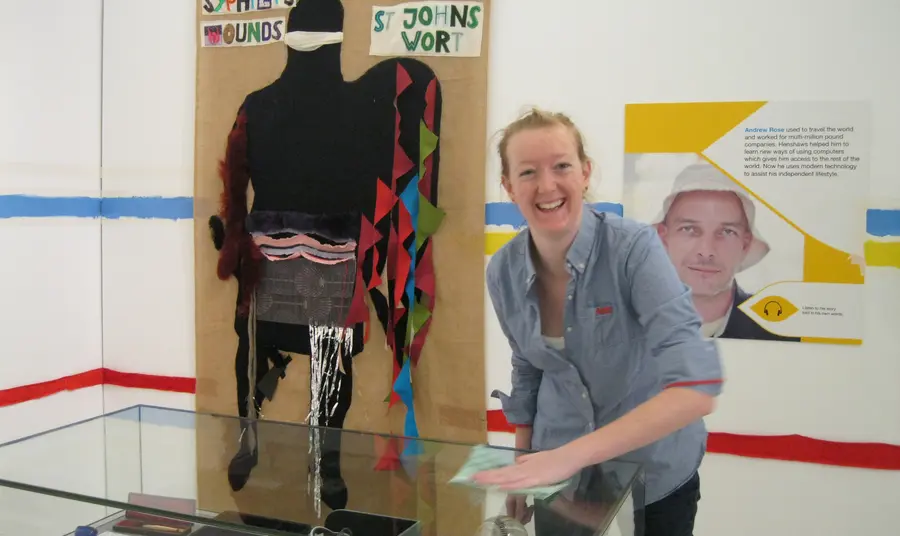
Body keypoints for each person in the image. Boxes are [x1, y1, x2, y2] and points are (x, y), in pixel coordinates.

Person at [472, 108, 724, 536]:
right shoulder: (502, 271)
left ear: (585, 173)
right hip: (560, 477)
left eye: (562, 166)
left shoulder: (634, 249)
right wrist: (524, 461)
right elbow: (528, 369)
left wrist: (570, 455)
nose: (547, 185)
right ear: (509, 187)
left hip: (655, 469)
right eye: (528, 172)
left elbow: (696, 388)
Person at [652, 163, 798, 341]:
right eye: (689, 229)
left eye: (727, 232)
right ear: (663, 238)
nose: (706, 252)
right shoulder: (624, 327)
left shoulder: (782, 333)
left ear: (745, 244)